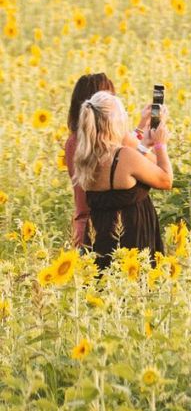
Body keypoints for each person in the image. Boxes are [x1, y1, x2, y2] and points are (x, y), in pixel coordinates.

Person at [71, 90, 172, 269]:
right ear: (113, 122)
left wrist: (144, 146)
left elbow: (128, 170)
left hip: (100, 236)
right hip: (130, 240)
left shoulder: (87, 155)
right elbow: (165, 180)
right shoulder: (124, 156)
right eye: (123, 114)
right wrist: (160, 144)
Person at [65, 73, 152, 247]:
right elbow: (129, 156)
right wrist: (158, 146)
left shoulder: (76, 141)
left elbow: (124, 148)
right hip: (102, 228)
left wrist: (141, 125)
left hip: (88, 226)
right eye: (109, 98)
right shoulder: (92, 142)